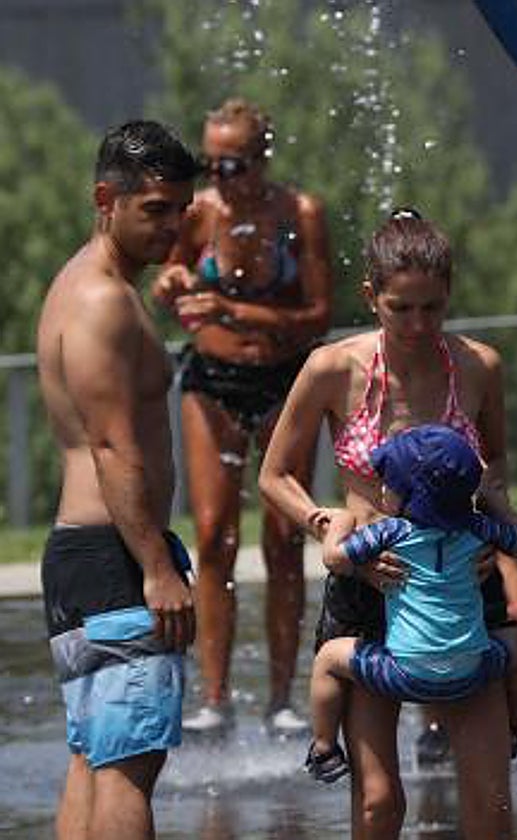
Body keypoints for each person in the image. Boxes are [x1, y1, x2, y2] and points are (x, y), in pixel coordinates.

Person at [259, 209, 517, 838]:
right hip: (369, 587)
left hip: (461, 584)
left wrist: (499, 549)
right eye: (400, 308)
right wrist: (329, 525)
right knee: (380, 802)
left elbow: (493, 467)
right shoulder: (332, 368)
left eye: (432, 309)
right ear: (371, 297)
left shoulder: (478, 366)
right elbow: (274, 477)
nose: (417, 325)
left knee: (489, 799)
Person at [35, 120, 202, 840]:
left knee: (92, 757)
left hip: (84, 555)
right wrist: (158, 567)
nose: (172, 226)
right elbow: (111, 445)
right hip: (115, 556)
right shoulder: (102, 300)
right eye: (155, 209)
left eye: (181, 209)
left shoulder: (89, 286)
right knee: (130, 764)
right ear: (107, 197)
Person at [150, 98, 334, 735]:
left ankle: (281, 699)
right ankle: (215, 697)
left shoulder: (298, 215)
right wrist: (172, 283)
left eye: (233, 165)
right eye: (211, 163)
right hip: (214, 383)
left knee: (285, 540)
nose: (220, 178)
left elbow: (317, 317)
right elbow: (167, 275)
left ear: (262, 160)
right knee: (212, 535)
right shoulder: (199, 213)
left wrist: (234, 313)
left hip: (284, 380)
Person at [306, 424, 517, 787]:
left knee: (328, 658)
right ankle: (514, 729)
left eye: (389, 484)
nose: (382, 488)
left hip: (402, 673)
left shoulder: (392, 533)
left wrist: (341, 522)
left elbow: (335, 559)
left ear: (412, 496)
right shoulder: (477, 529)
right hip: (471, 671)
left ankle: (323, 747)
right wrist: (500, 507)